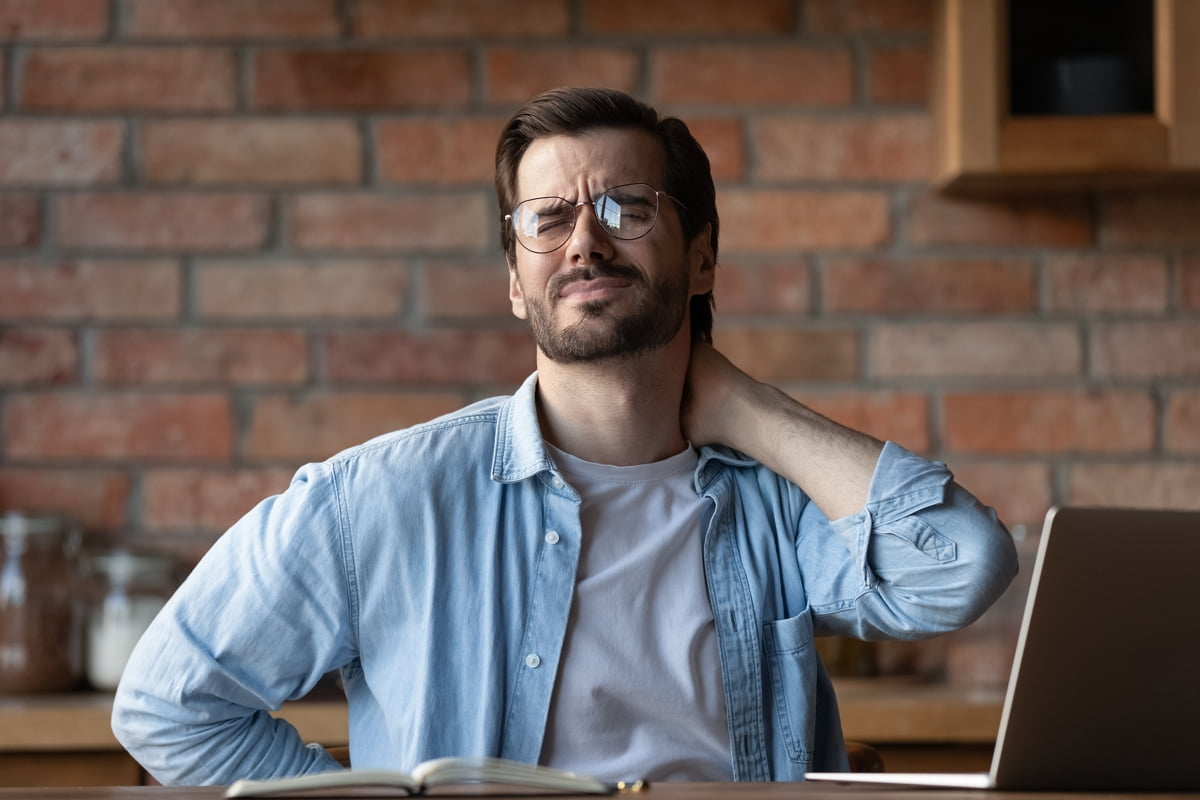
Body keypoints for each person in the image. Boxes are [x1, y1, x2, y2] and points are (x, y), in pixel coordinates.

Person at [112, 87, 1018, 786]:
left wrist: (740, 404)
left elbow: (960, 567)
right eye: (547, 219)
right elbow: (168, 705)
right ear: (515, 280)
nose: (584, 241)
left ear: (701, 257)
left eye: (628, 206)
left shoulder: (775, 502)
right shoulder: (378, 498)